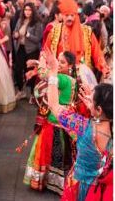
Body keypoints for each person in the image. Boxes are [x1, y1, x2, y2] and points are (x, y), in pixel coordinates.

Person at [45, 49, 113, 201]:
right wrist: (94, 111)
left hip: (79, 188)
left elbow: (54, 105)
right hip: (102, 191)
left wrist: (53, 71)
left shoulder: (83, 126)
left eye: (93, 99)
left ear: (100, 109)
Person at [24, 51, 77, 195]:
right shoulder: (70, 78)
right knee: (58, 156)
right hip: (61, 123)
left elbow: (45, 75)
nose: (59, 64)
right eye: (57, 61)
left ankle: (52, 183)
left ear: (70, 65)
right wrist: (37, 63)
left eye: (63, 62)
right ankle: (54, 182)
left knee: (51, 154)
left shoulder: (62, 79)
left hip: (55, 124)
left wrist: (41, 63)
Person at [44, 0, 109, 79]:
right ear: (62, 16)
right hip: (60, 76)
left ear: (76, 16)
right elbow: (46, 53)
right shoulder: (54, 32)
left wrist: (104, 68)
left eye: (72, 15)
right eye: (67, 15)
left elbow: (97, 53)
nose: (69, 18)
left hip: (81, 77)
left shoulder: (87, 32)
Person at [13, 2, 43, 101]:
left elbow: (38, 38)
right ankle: (21, 91)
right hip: (20, 48)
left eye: (29, 10)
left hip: (32, 50)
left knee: (30, 72)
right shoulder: (20, 20)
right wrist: (15, 35)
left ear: (33, 11)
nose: (27, 12)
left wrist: (28, 35)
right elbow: (15, 32)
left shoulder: (37, 22)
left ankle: (32, 93)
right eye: (25, 9)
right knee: (17, 69)